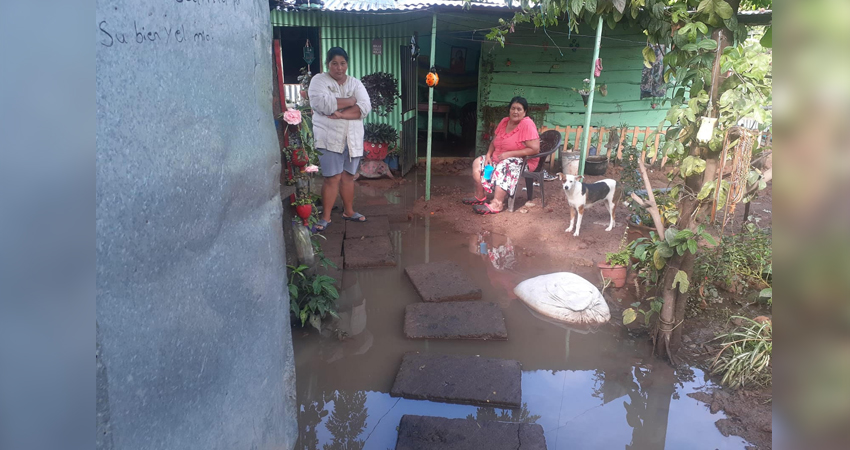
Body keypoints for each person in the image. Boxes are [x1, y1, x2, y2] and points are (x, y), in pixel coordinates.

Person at [309, 47, 372, 231]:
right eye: (334, 63)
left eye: (342, 63)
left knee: (348, 177)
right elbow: (321, 104)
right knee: (332, 177)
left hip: (352, 138)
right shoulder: (319, 81)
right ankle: (326, 217)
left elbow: (365, 108)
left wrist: (341, 114)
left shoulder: (355, 83)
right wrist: (351, 102)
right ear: (327, 64)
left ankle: (349, 211)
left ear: (347, 64)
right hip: (329, 137)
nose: (339, 67)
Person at [463, 97, 540, 214]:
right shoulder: (504, 121)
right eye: (513, 108)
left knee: (505, 165)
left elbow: (535, 149)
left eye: (519, 109)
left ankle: (497, 203)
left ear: (525, 112)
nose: (515, 112)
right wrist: (488, 155)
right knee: (478, 162)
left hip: (522, 161)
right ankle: (479, 197)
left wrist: (510, 154)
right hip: (498, 157)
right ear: (509, 110)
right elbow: (494, 141)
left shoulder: (527, 124)